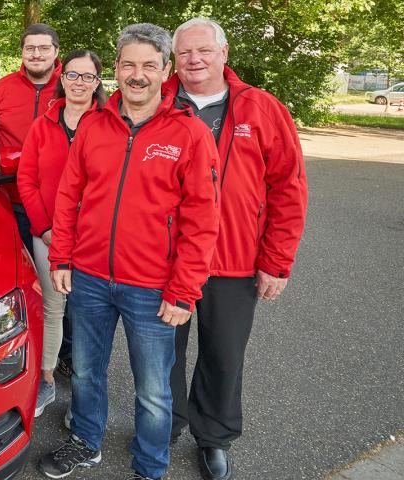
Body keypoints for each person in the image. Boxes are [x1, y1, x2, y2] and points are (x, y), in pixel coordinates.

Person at [37, 23, 220, 480]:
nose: (137, 75)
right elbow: (68, 196)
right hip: (91, 277)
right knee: (83, 372)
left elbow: (203, 219)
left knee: (155, 390)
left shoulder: (190, 134)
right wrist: (61, 257)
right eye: (129, 65)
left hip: (153, 285)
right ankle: (85, 441)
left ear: (165, 70)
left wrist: (184, 290)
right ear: (116, 69)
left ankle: (150, 466)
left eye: (149, 66)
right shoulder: (94, 126)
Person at [165, 18, 308, 480]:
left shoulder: (261, 108)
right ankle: (164, 424)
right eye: (185, 52)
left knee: (223, 356)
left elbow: (289, 188)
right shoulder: (157, 103)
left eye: (203, 50)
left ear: (224, 53)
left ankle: (214, 437)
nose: (194, 60)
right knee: (163, 352)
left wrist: (277, 262)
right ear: (174, 59)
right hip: (167, 260)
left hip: (235, 261)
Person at [17, 49, 107, 418]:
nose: (79, 83)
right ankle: (47, 380)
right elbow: (27, 180)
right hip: (50, 237)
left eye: (87, 77)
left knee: (90, 317)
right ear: (62, 78)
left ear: (98, 82)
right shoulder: (43, 124)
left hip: (97, 241)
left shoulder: (110, 124)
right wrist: (46, 229)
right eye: (73, 75)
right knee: (53, 311)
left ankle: (85, 403)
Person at [0, 22, 63, 258]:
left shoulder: (71, 87)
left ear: (56, 52)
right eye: (30, 48)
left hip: (59, 203)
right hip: (12, 199)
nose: (36, 54)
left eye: (44, 48)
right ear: (22, 51)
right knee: (17, 269)